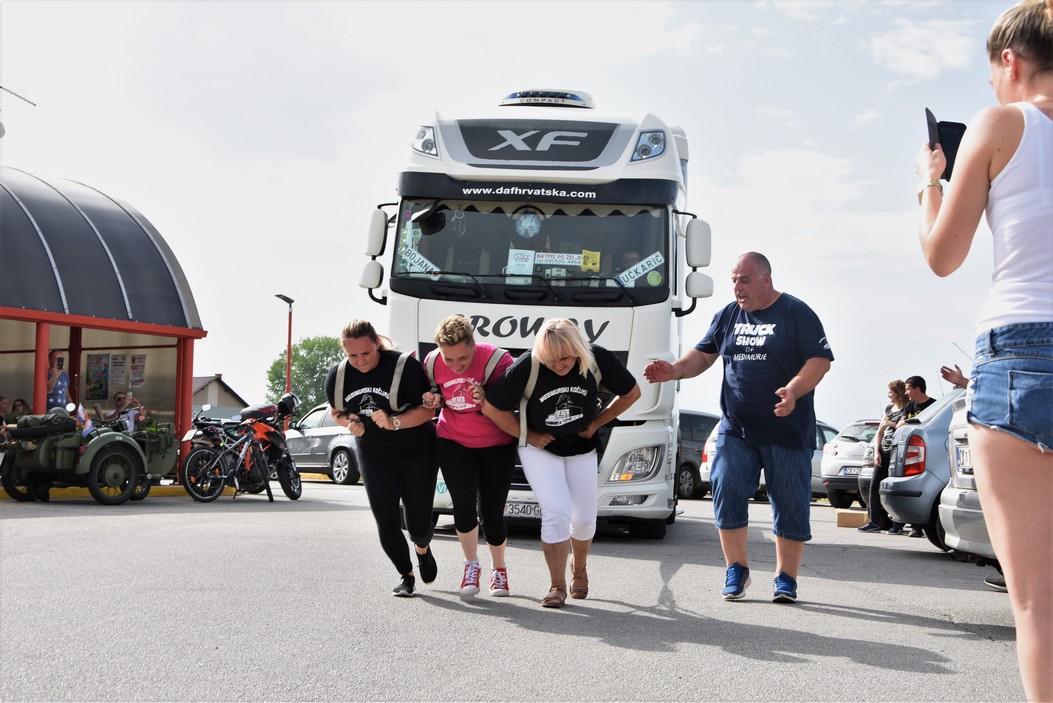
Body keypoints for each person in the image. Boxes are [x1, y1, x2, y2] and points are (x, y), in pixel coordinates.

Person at [914, 2, 1052, 698]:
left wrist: (928, 181)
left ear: (1010, 61)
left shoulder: (1003, 123)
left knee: (1037, 604)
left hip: (1023, 355)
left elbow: (943, 254)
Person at [644, 252, 833, 604]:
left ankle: (786, 577)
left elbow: (819, 361)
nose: (737, 287)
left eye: (744, 280)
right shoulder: (728, 316)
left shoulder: (796, 312)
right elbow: (703, 356)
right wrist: (674, 370)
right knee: (725, 487)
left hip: (787, 430)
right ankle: (737, 569)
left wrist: (793, 390)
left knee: (790, 504)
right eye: (733, 280)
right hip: (737, 428)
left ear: (766, 279)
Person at [483, 318, 641, 608]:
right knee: (556, 510)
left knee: (584, 519)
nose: (559, 365)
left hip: (581, 445)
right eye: (551, 359)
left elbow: (632, 393)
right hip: (541, 447)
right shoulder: (528, 366)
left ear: (578, 349)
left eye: (566, 358)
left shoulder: (597, 359)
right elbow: (491, 407)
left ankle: (578, 568)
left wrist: (597, 422)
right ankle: (556, 586)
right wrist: (527, 434)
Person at [324, 319, 439, 598]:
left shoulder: (404, 366)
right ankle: (406, 575)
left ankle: (422, 548)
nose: (360, 361)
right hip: (374, 453)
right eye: (352, 355)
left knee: (418, 523)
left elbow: (429, 412)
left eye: (366, 353)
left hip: (417, 450)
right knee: (385, 519)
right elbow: (337, 412)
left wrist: (395, 422)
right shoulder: (338, 376)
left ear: (377, 343)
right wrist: (350, 422)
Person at [421, 315, 517, 597]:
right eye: (449, 360)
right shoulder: (431, 362)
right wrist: (431, 398)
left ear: (474, 345)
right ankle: (470, 565)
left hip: (497, 442)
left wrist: (488, 395)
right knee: (462, 507)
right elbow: (428, 391)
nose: (456, 365)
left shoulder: (497, 360)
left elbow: (514, 398)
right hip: (454, 440)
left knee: (491, 512)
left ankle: (498, 570)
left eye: (462, 358)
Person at [857, 379, 908, 534]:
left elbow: (902, 425)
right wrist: (877, 451)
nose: (888, 395)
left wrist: (890, 424)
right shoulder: (888, 409)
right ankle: (874, 521)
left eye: (891, 392)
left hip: (897, 452)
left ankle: (897, 523)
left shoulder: (906, 408)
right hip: (884, 451)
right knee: (874, 487)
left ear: (898, 392)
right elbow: (880, 430)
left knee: (894, 488)